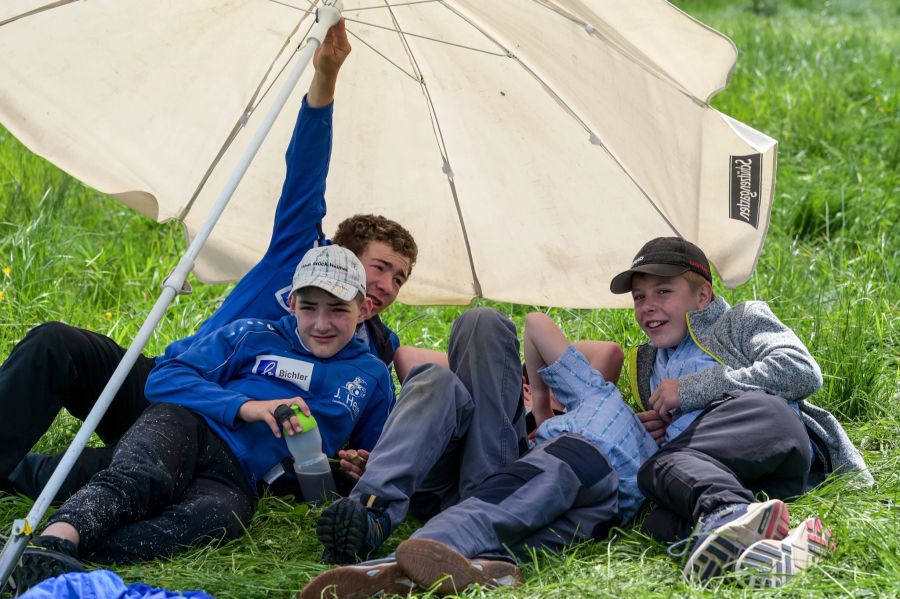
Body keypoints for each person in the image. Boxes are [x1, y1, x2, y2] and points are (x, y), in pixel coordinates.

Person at [302, 237, 871, 597]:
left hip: (754, 428)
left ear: (702, 296)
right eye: (639, 297)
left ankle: (434, 543)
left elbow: (800, 373)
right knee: (645, 514)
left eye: (663, 293)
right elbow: (540, 337)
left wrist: (686, 395)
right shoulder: (649, 366)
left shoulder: (739, 321)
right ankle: (769, 551)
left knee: (620, 473)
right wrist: (647, 419)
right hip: (659, 473)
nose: (648, 307)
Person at [0, 18, 418, 501]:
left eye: (400, 279)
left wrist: (354, 461)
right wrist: (325, 77)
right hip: (176, 385)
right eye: (381, 267)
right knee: (58, 344)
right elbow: (306, 172)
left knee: (73, 478)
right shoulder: (298, 251)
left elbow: (355, 429)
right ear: (339, 254)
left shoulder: (374, 351)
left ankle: (39, 483)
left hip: (217, 441)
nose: (389, 285)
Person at [5, 245, 395, 594]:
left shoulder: (373, 377)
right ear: (291, 303)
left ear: (363, 309)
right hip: (188, 425)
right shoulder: (252, 334)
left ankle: (65, 558)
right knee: (137, 476)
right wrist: (246, 407)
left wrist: (357, 467)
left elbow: (373, 455)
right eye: (309, 307)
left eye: (338, 309)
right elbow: (165, 378)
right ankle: (57, 539)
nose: (322, 324)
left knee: (215, 520)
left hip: (239, 477)